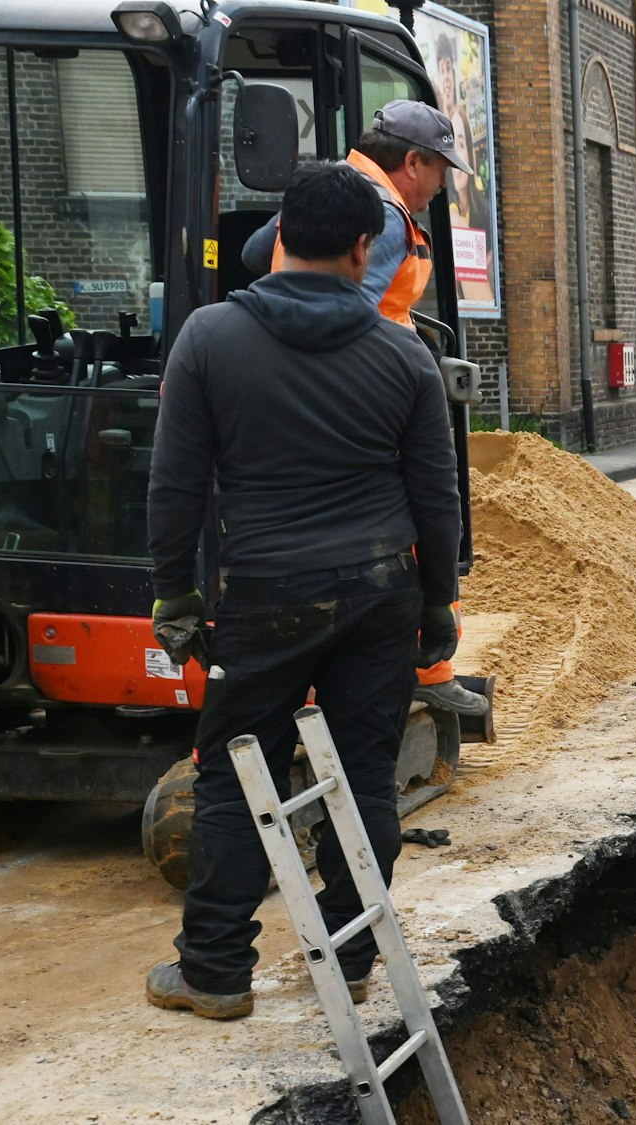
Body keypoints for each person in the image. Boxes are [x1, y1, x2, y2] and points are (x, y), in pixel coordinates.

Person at [144, 162, 462, 1020]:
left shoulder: (209, 338)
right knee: (364, 772)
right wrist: (438, 605)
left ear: (281, 236)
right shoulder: (404, 354)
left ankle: (213, 970)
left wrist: (174, 596)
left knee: (235, 773)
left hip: (262, 593)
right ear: (366, 249)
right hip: (377, 594)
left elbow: (174, 487)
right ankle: (351, 954)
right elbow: (437, 497)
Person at [242, 101, 485, 717]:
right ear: (412, 162)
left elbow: (253, 253)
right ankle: (427, 669)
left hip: (301, 391)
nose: (442, 186)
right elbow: (348, 310)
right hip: (369, 398)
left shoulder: (331, 194)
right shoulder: (380, 216)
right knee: (414, 523)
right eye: (440, 171)